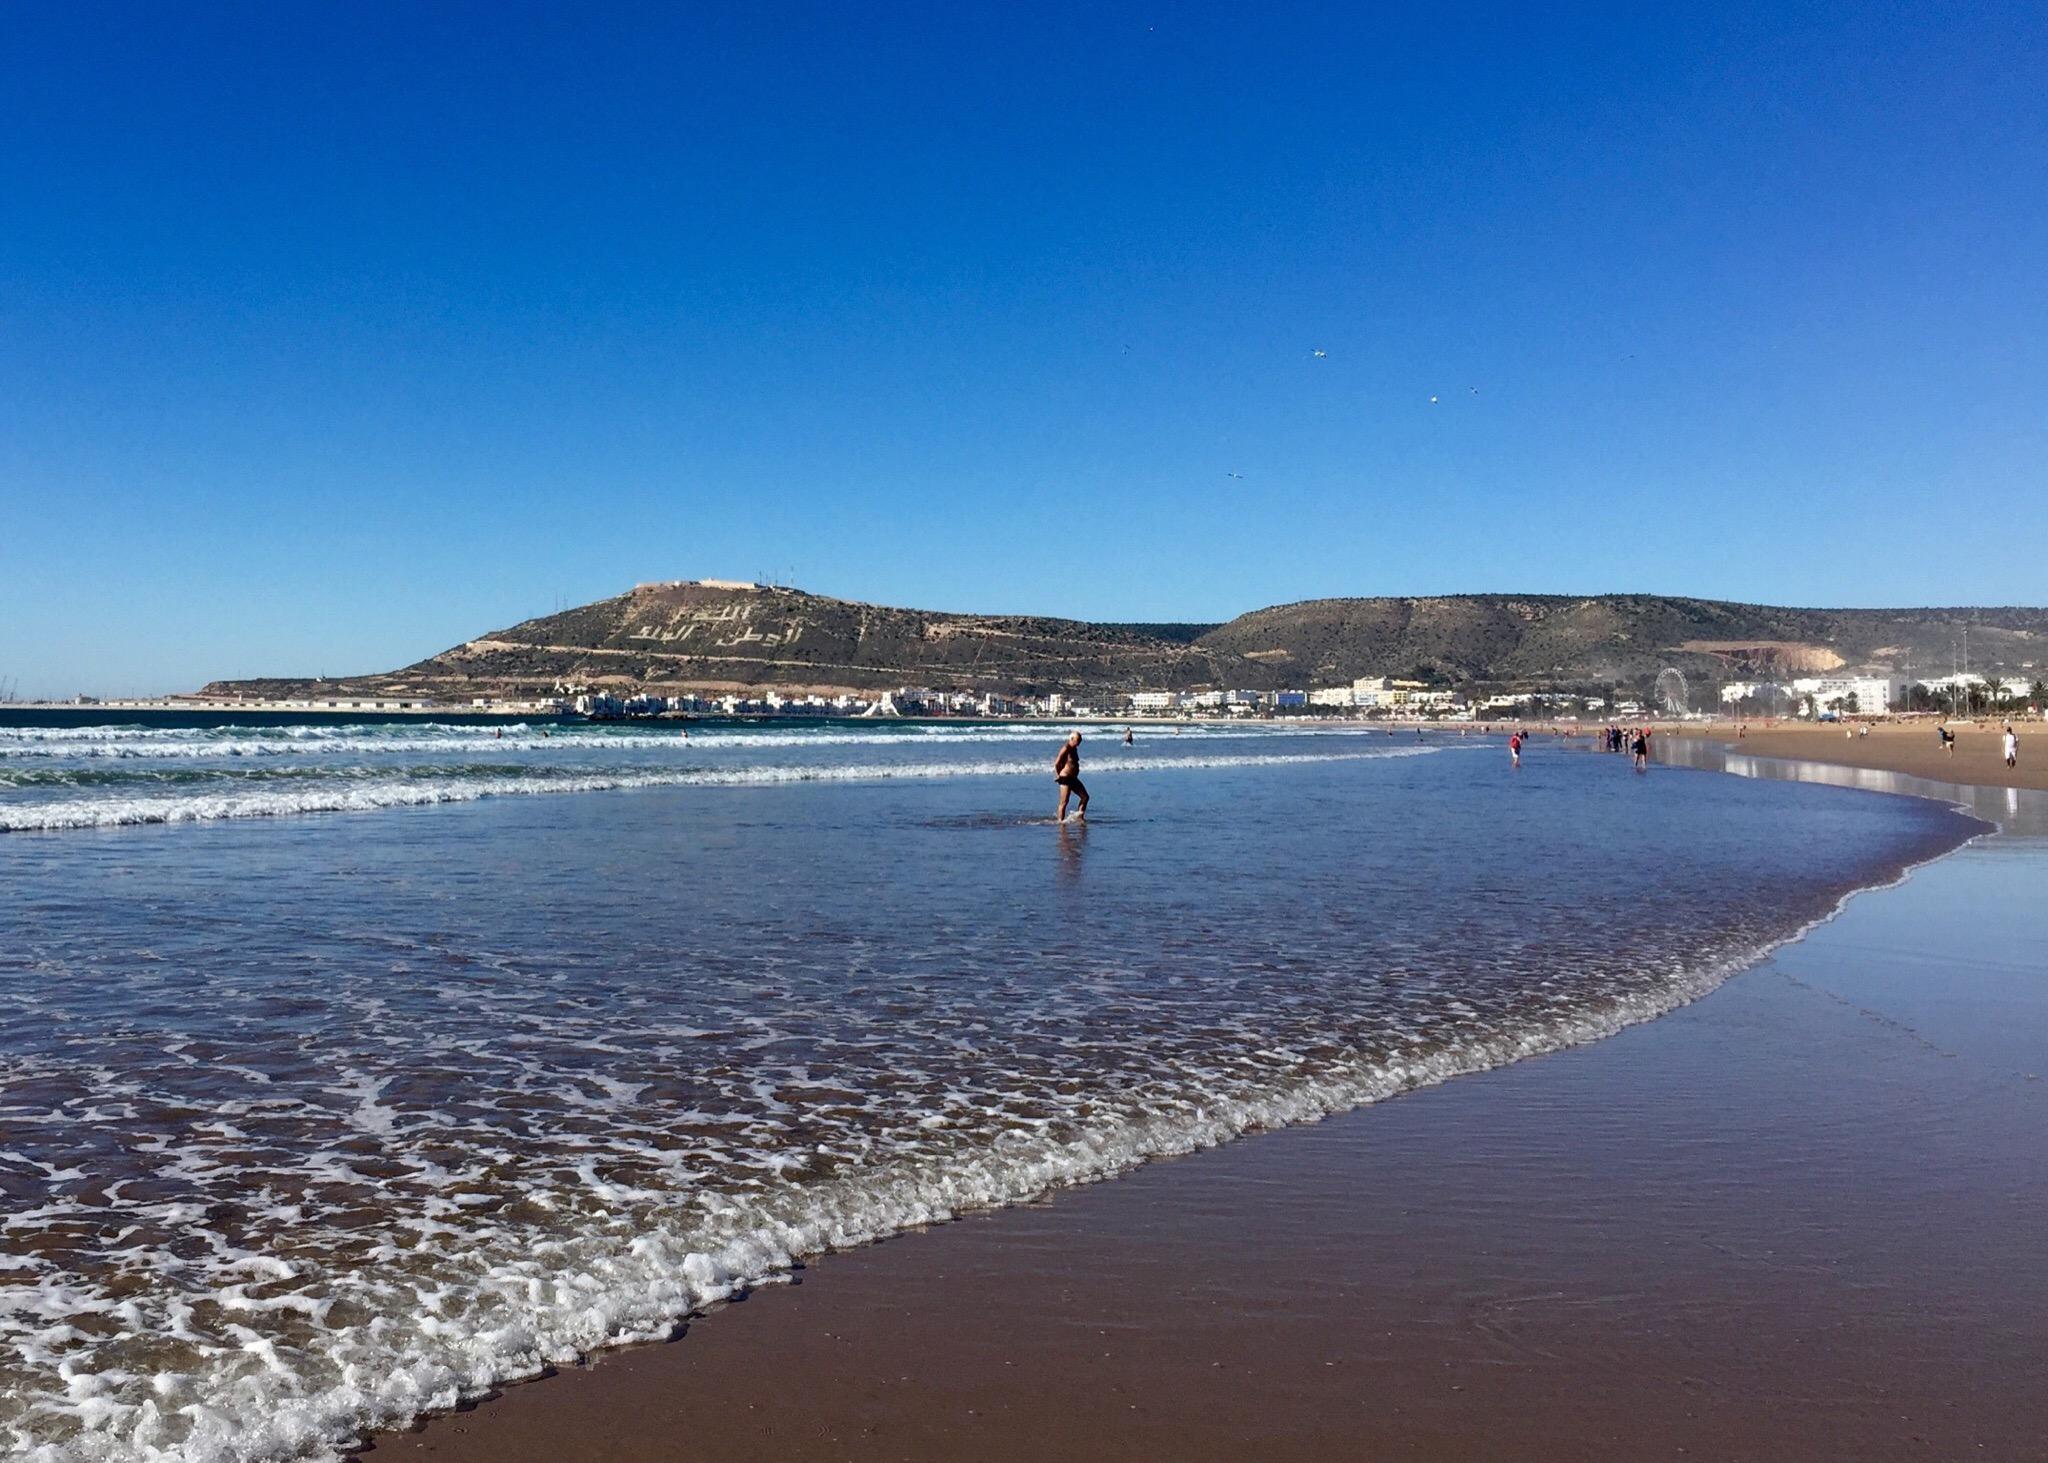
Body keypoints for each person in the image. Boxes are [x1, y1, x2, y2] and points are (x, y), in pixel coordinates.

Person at [1054, 731, 1088, 822]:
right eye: (1078, 739)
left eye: (1080, 739)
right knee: (1064, 802)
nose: (1080, 741)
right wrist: (1058, 776)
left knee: (1085, 797)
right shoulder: (1066, 748)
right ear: (1071, 739)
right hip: (1065, 778)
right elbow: (1057, 763)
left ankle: (1080, 818)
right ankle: (1060, 822)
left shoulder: (1074, 748)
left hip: (1073, 778)